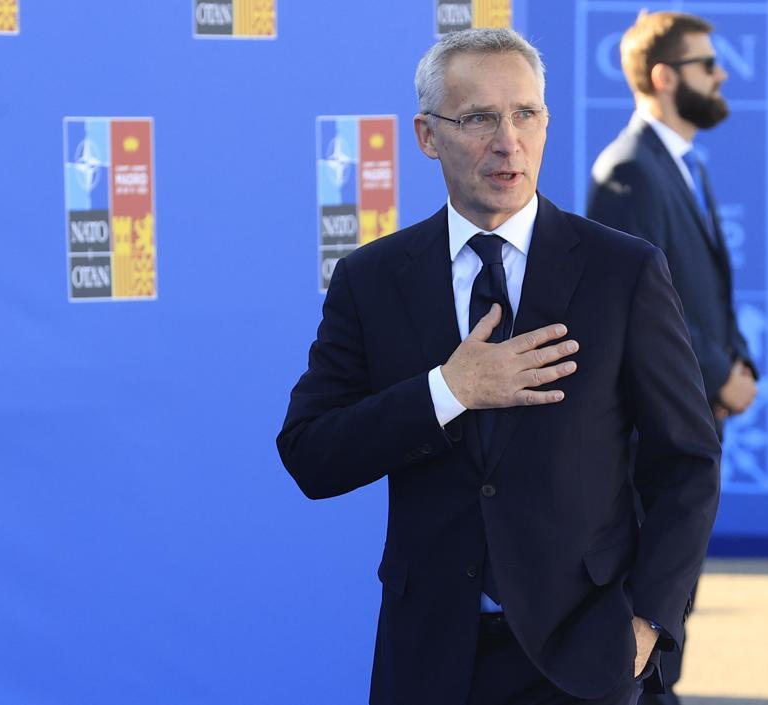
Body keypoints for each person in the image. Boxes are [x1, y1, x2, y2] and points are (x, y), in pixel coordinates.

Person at [278, 28, 721, 705]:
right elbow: (311, 453)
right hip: (428, 656)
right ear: (428, 136)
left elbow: (686, 461)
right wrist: (446, 391)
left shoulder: (620, 271)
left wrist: (648, 624)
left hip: (585, 655)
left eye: (526, 114)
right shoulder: (372, 279)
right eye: (479, 117)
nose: (507, 140)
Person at [586, 13, 756, 704]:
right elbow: (644, 306)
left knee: (673, 597)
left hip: (688, 412)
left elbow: (702, 288)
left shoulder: (682, 165)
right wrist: (718, 374)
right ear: (664, 77)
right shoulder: (629, 171)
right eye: (706, 63)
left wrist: (734, 366)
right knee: (649, 600)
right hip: (647, 433)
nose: (721, 75)